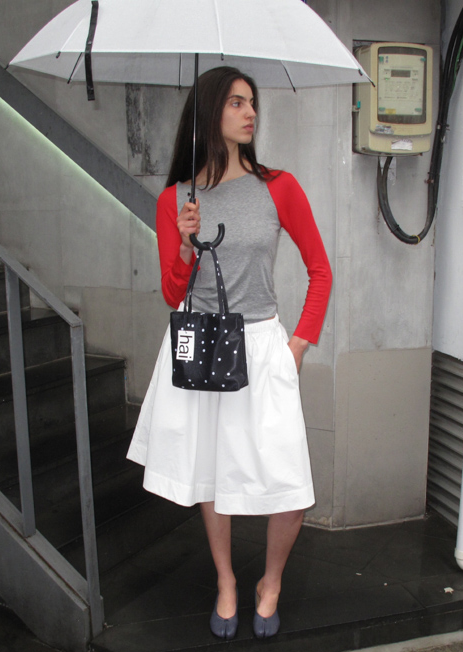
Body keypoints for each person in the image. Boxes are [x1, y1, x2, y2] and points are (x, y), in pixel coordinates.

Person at [126, 66, 332, 640]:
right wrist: (185, 245)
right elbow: (172, 292)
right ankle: (226, 582)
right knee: (211, 476)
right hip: (202, 346)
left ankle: (271, 582)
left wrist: (296, 346)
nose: (250, 113)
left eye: (252, 103)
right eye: (237, 102)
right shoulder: (176, 199)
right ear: (210, 111)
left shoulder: (278, 187)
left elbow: (321, 270)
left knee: (289, 484)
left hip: (263, 346)